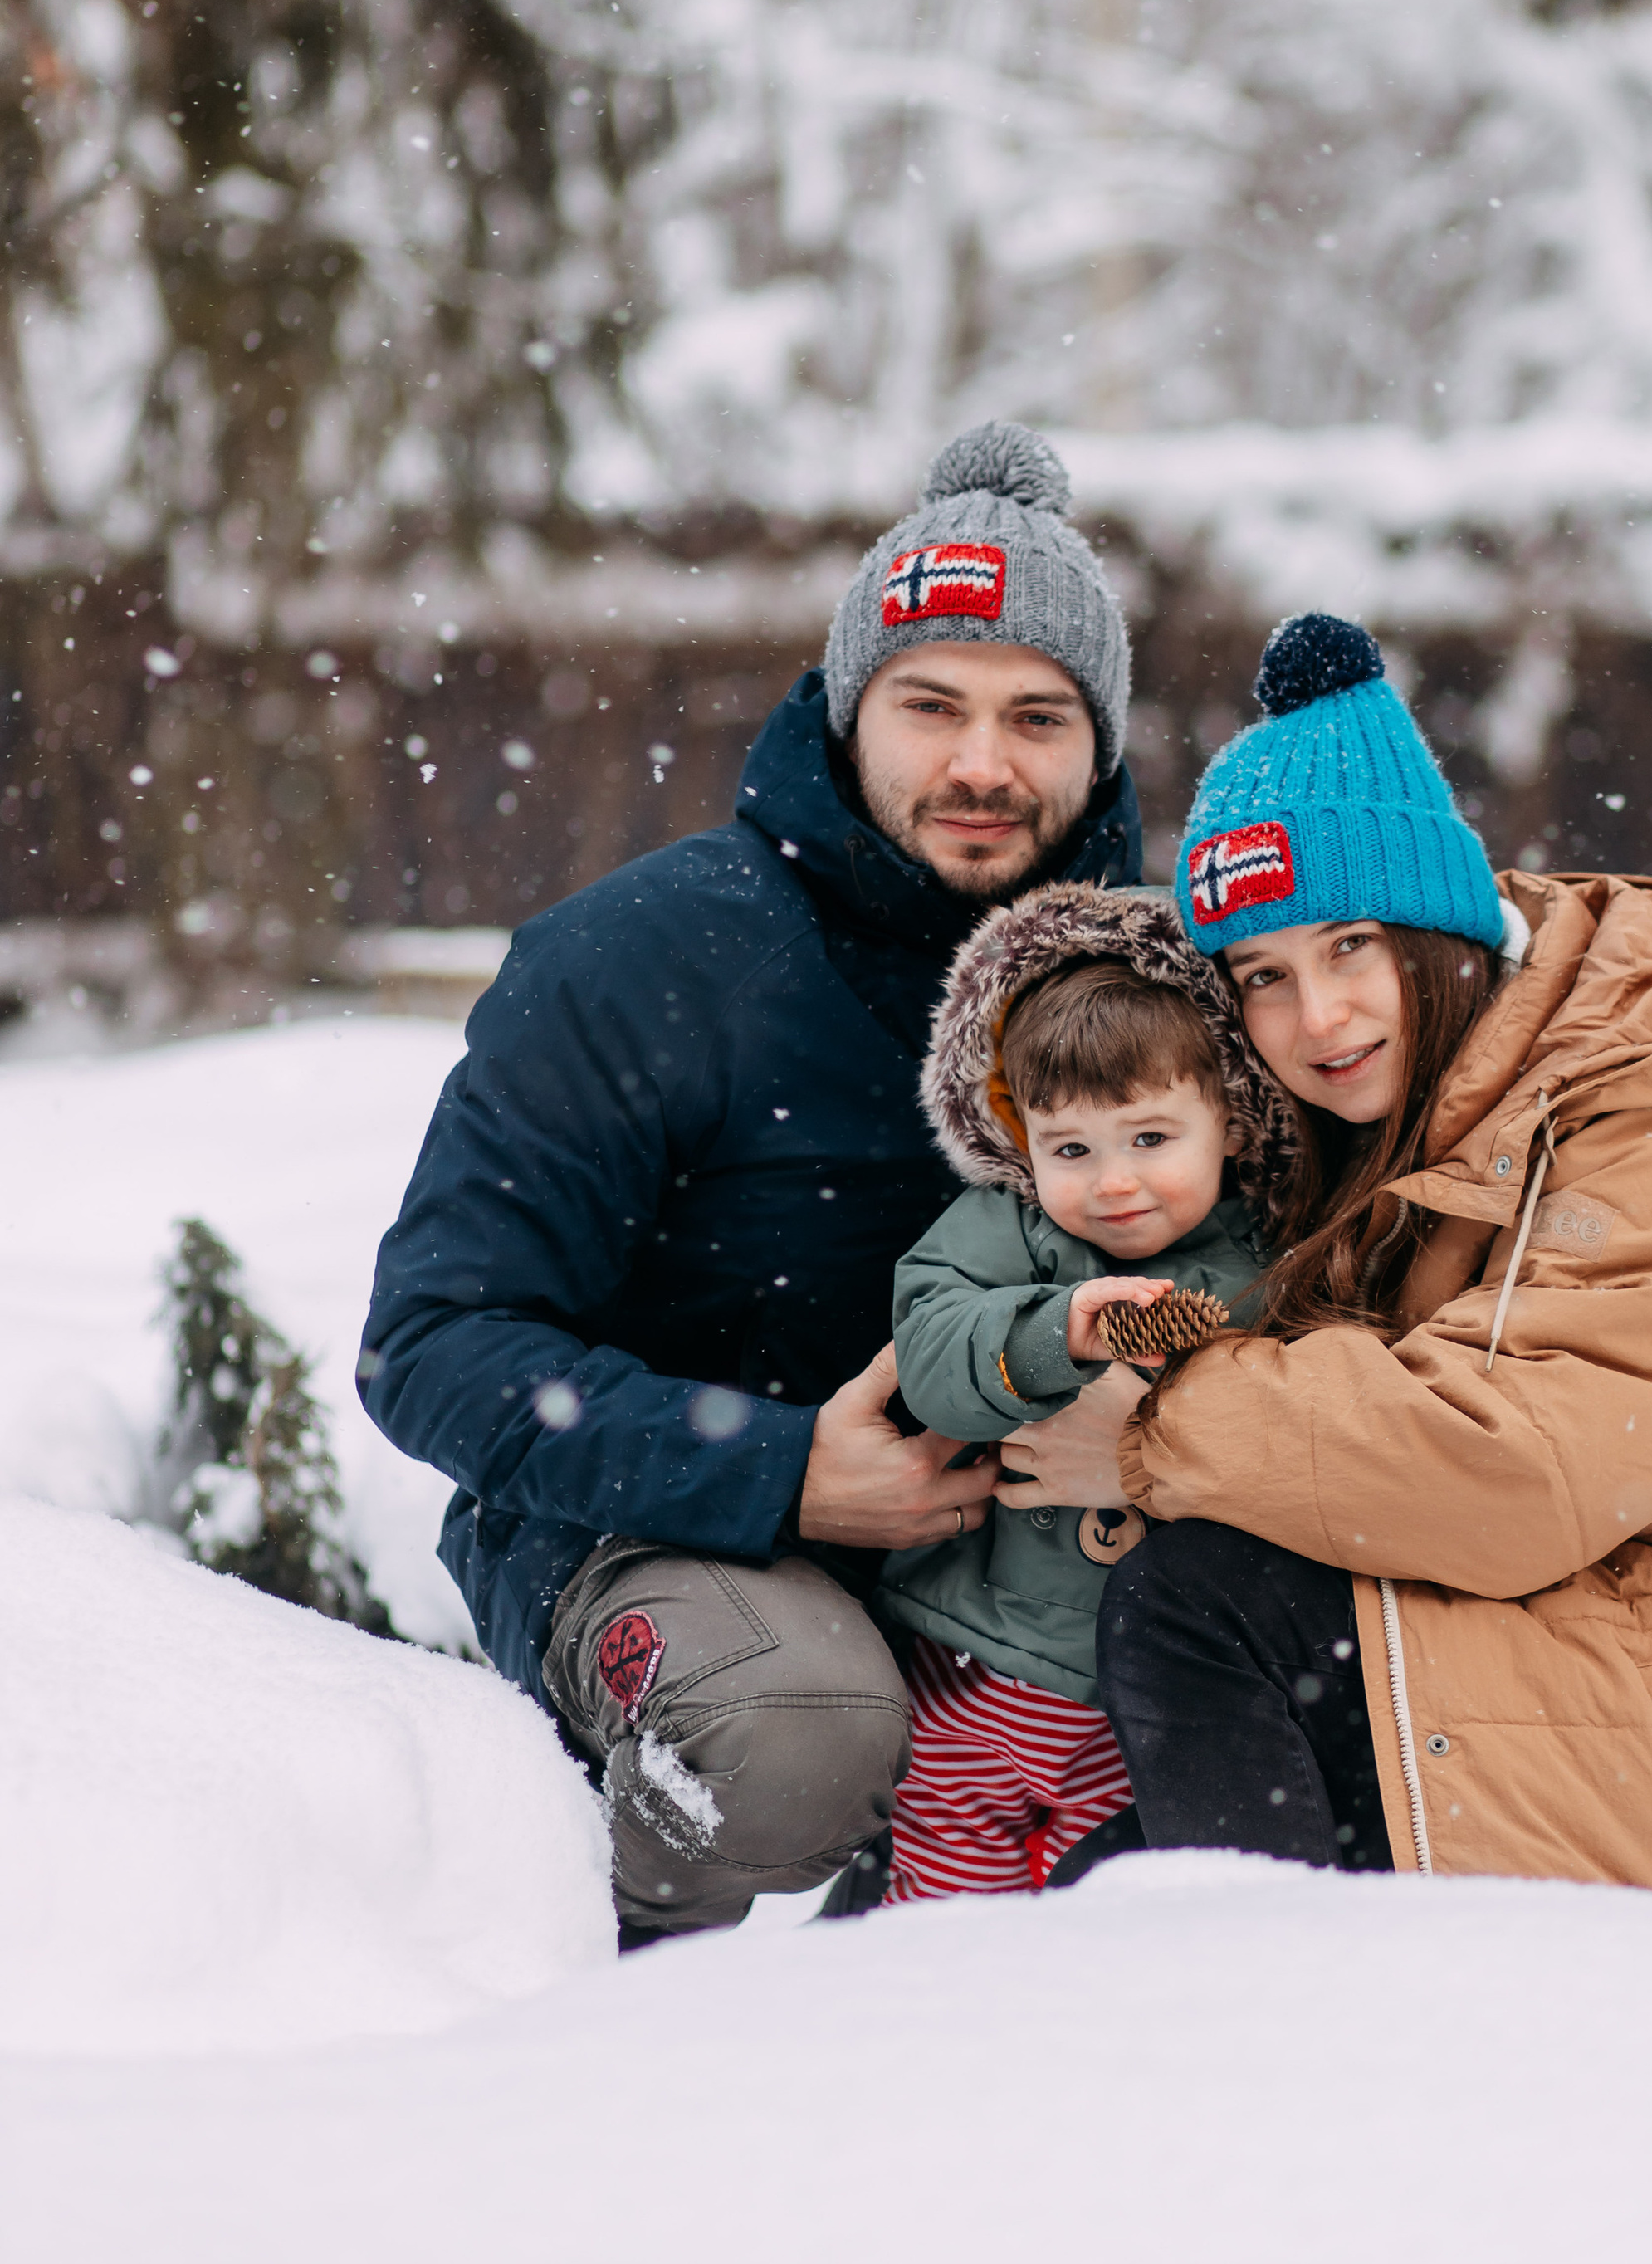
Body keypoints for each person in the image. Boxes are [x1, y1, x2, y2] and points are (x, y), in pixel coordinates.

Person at [1001, 611, 1652, 1914]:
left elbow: (1520, 1465)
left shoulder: (1645, 1118)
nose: (1318, 1017)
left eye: (1352, 947)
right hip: (1587, 1648)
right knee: (1092, 1892)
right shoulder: (1408, 1119)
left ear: (1442, 929)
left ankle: (1262, 2019)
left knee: (1196, 1602)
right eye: (1264, 975)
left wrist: (1156, 1433)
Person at [359, 422, 1140, 1939]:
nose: (984, 764)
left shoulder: (1144, 988)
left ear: (1101, 743)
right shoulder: (646, 961)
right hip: (656, 1527)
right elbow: (435, 1341)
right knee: (803, 1733)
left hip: (1031, 1544)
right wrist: (778, 1469)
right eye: (932, 706)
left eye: (1038, 717)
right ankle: (613, 1990)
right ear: (850, 713)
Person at [873, 889, 1288, 1900]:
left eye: (1150, 1139)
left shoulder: (1273, 1265)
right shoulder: (1001, 1229)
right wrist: (1053, 1334)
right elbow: (930, 1359)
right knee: (942, 1923)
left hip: (1134, 1702)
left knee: (1094, 1924)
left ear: (1229, 1124)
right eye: (1072, 1149)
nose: (1111, 1182)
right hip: (972, 1667)